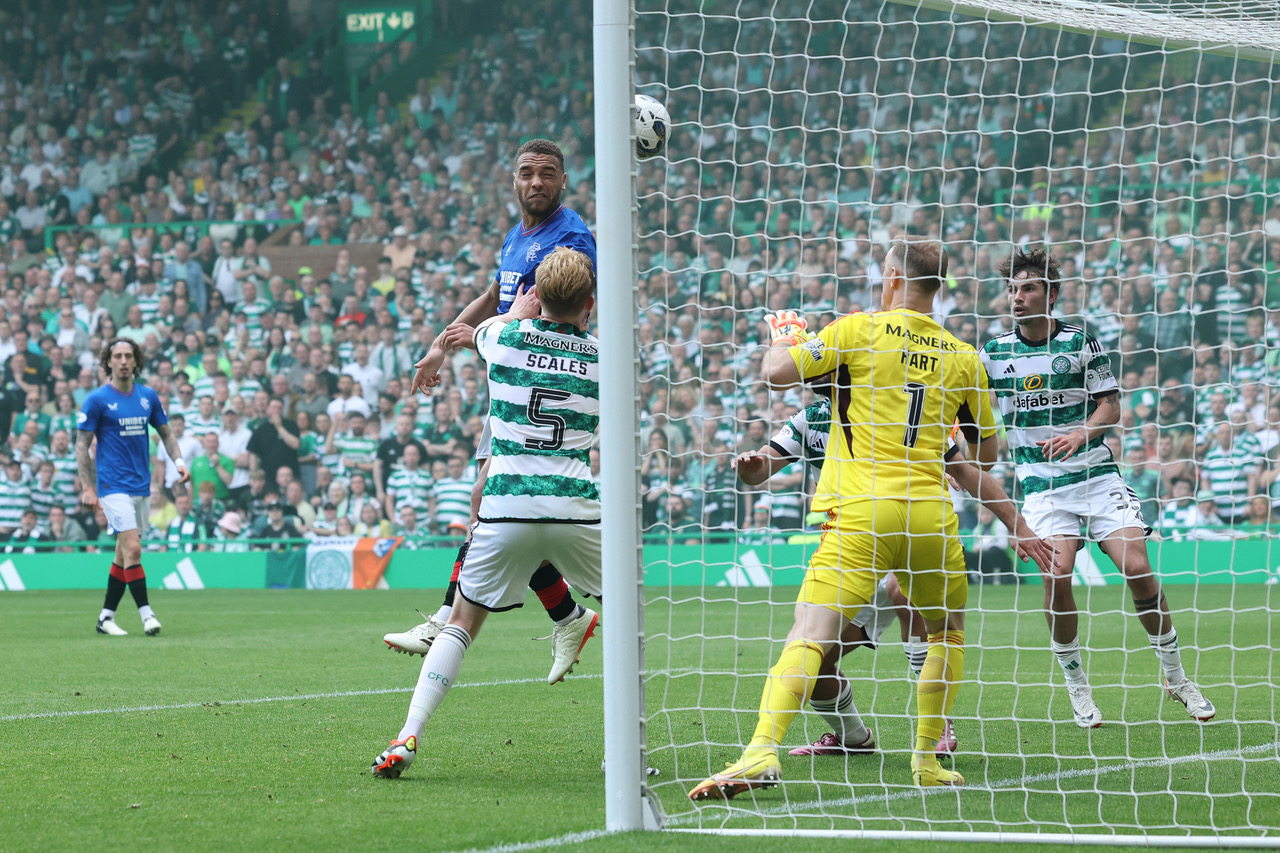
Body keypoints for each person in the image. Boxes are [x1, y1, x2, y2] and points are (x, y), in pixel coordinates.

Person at [689, 238, 999, 799]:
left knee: (809, 634)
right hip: (931, 518)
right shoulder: (964, 356)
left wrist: (788, 336)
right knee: (946, 634)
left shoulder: (859, 329)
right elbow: (988, 454)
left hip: (863, 513)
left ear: (893, 276)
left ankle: (761, 752)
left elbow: (776, 372)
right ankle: (927, 761)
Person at [372, 247, 602, 778]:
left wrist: (516, 314)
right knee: (628, 617)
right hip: (574, 507)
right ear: (590, 304)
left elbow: (480, 330)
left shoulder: (504, 338)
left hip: (505, 508)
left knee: (460, 623)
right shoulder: (602, 356)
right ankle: (628, 747)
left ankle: (408, 735)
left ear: (536, 296)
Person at [384, 139, 597, 674]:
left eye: (547, 173)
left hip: (540, 381)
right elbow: (493, 294)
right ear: (514, 179)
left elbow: (560, 313)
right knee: (506, 510)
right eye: (527, 173)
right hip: (511, 380)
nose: (536, 182)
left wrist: (501, 332)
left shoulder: (570, 237)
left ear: (563, 180)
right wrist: (441, 344)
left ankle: (446, 617)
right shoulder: (517, 236)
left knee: (490, 500)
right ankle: (568, 615)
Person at [979, 247, 1214, 728]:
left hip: (1097, 477)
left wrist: (1081, 433)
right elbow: (969, 413)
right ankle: (1077, 685)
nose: (1017, 297)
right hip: (1042, 488)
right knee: (1056, 577)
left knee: (1137, 567)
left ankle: (1176, 679)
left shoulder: (1082, 342)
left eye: (1028, 288)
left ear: (1051, 294)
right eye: (1012, 289)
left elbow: (1111, 405)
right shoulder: (992, 355)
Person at [77, 337, 190, 636]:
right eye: (118, 356)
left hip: (141, 485)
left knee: (123, 553)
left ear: (136, 360)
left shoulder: (147, 396)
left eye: (129, 356)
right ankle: (147, 615)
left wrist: (179, 462)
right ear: (108, 361)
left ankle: (106, 617)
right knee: (135, 549)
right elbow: (82, 444)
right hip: (112, 486)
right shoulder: (98, 399)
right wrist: (87, 487)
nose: (124, 361)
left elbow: (166, 433)